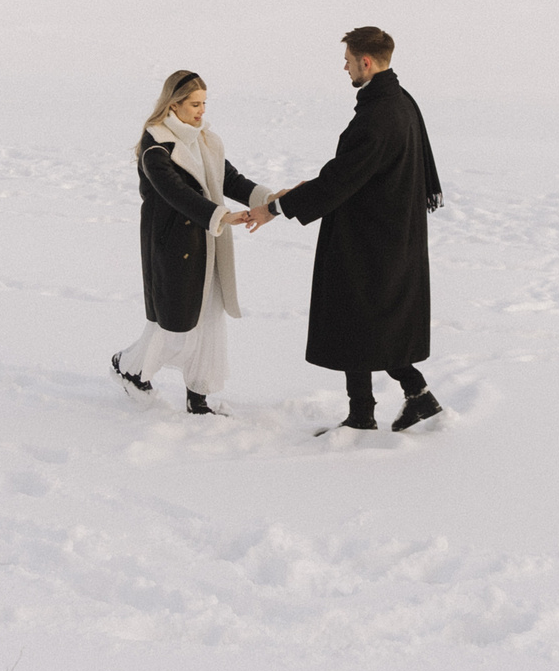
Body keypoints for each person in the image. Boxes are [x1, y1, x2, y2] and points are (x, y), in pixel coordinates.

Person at [249, 27, 446, 433]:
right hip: (389, 232)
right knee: (376, 323)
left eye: (348, 60)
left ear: (366, 62)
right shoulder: (400, 101)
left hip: (368, 240)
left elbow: (343, 178)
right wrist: (301, 192)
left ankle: (361, 417)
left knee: (355, 321)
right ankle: (418, 397)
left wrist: (278, 207)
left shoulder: (380, 113)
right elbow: (355, 172)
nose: (345, 66)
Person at [113, 69, 264, 416]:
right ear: (174, 104)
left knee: (209, 322)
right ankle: (129, 368)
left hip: (206, 244)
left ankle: (199, 397)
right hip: (172, 247)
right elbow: (177, 195)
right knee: (174, 328)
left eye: (204, 104)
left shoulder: (204, 139)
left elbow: (231, 179)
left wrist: (267, 199)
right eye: (194, 104)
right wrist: (222, 216)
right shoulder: (156, 147)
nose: (201, 111)